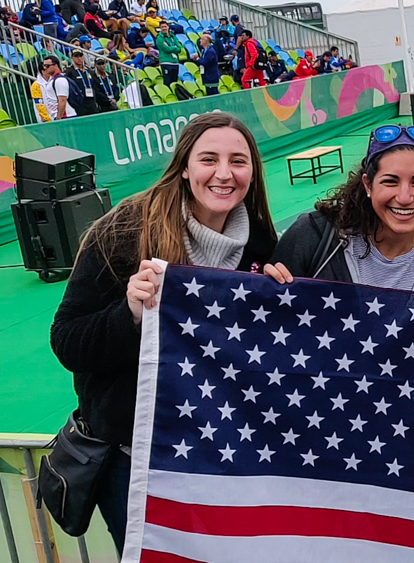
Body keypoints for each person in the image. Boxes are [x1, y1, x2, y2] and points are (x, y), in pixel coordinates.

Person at [50, 113, 278, 557]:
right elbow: (68, 341)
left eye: (239, 160)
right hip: (133, 462)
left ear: (253, 170)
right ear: (184, 166)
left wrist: (280, 297)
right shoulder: (123, 233)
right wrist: (130, 313)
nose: (224, 174)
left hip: (225, 454)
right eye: (209, 159)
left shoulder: (263, 244)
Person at [265, 125, 414, 300]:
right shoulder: (315, 237)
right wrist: (265, 290)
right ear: (368, 185)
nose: (404, 197)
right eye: (390, 181)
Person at [31, 55, 77, 122]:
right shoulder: (51, 80)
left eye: (47, 66)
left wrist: (59, 118)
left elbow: (62, 100)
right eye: (44, 66)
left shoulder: (59, 80)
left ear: (55, 66)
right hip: (56, 116)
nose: (45, 68)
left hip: (65, 116)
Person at [65, 49, 99, 116]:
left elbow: (94, 85)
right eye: (76, 56)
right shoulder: (69, 72)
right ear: (72, 58)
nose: (79, 58)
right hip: (79, 103)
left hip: (91, 100)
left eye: (80, 56)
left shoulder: (89, 71)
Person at [154, 20, 180, 85]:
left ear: (168, 27)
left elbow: (179, 49)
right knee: (168, 82)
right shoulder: (159, 38)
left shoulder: (173, 36)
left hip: (175, 62)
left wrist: (171, 47)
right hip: (166, 62)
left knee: (175, 83)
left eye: (165, 26)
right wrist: (174, 47)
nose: (164, 28)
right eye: (162, 27)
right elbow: (166, 49)